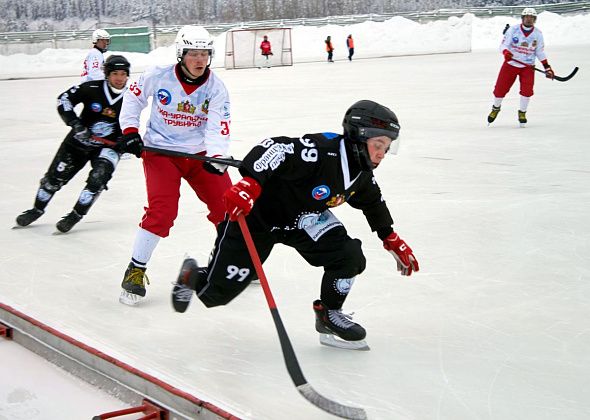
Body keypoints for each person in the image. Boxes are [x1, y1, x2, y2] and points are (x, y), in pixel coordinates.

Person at [171, 100, 420, 350]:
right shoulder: (322, 151)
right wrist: (250, 184)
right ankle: (193, 275)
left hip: (305, 219)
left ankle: (329, 315)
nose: (381, 154)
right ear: (357, 136)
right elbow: (276, 148)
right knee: (217, 294)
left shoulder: (362, 172)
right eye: (378, 145)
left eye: (386, 149)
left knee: (349, 256)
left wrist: (389, 236)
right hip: (258, 218)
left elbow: (373, 203)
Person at [117, 25, 233, 306]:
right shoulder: (158, 75)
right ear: (181, 54)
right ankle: (135, 269)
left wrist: (217, 158)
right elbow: (133, 99)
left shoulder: (216, 88)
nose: (199, 59)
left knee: (227, 207)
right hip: (160, 153)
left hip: (199, 155)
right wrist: (130, 131)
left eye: (205, 53)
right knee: (163, 211)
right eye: (193, 53)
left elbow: (219, 126)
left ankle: (233, 262)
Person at [15, 55, 132, 233]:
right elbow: (63, 99)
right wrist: (75, 124)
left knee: (98, 179)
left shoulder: (132, 97)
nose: (119, 78)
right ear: (107, 74)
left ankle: (75, 215)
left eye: (123, 74)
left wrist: (129, 139)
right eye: (114, 73)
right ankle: (37, 209)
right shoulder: (92, 88)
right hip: (78, 142)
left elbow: (137, 121)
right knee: (54, 179)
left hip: (109, 147)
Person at [487, 8, 554, 126]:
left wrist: (547, 67)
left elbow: (539, 52)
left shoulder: (538, 34)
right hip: (510, 64)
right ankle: (496, 108)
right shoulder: (513, 30)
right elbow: (503, 45)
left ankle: (522, 112)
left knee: (527, 91)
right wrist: (506, 53)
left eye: (532, 18)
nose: (529, 19)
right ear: (522, 18)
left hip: (528, 67)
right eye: (527, 17)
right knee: (499, 89)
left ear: (535, 20)